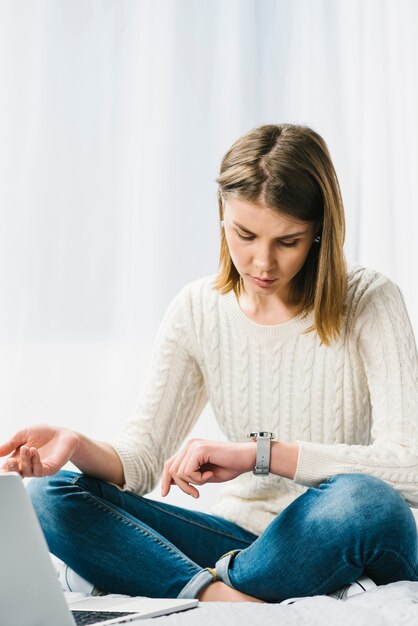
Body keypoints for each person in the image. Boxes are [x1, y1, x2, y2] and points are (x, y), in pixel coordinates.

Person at [1, 123, 418, 603]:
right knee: (49, 496)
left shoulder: (371, 300)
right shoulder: (198, 309)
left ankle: (168, 578)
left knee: (365, 500)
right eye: (245, 234)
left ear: (320, 230)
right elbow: (140, 459)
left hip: (336, 530)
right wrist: (75, 443)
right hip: (240, 544)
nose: (262, 263)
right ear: (222, 215)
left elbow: (407, 466)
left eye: (288, 241)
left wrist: (260, 454)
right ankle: (224, 599)